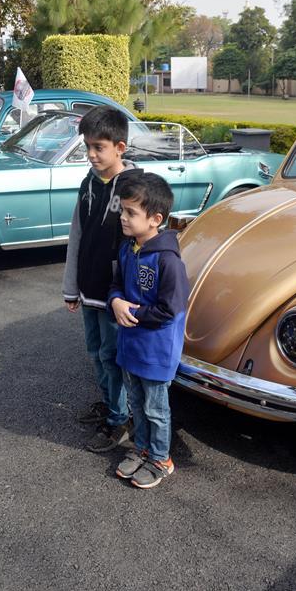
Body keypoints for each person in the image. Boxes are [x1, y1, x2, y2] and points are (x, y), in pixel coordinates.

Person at [62, 106, 143, 452]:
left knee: (112, 357)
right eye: (87, 147)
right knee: (96, 353)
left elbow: (145, 245)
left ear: (120, 148)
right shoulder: (87, 185)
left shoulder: (136, 189)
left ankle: (120, 419)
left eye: (99, 147)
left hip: (116, 295)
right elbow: (76, 236)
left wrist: (131, 293)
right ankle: (112, 406)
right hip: (88, 289)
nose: (92, 155)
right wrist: (70, 286)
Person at [108, 172, 188, 489]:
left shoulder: (168, 261)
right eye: (122, 210)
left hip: (156, 351)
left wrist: (134, 311)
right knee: (136, 404)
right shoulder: (129, 249)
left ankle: (160, 458)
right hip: (130, 347)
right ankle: (141, 449)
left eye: (130, 213)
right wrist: (115, 301)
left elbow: (171, 309)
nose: (123, 218)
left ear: (155, 219)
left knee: (156, 409)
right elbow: (115, 286)